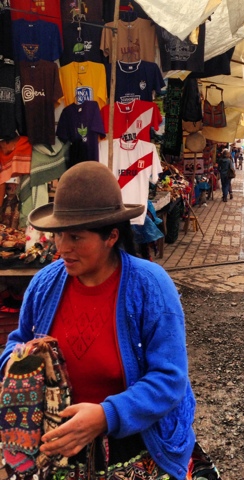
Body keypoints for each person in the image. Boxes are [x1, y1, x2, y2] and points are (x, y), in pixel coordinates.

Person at [0, 162, 197, 480]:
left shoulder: (150, 286)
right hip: (57, 449)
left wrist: (107, 416)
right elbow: (18, 342)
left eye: (76, 237)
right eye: (59, 235)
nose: (63, 248)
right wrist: (20, 363)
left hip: (135, 447)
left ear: (111, 236)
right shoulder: (45, 283)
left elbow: (170, 378)